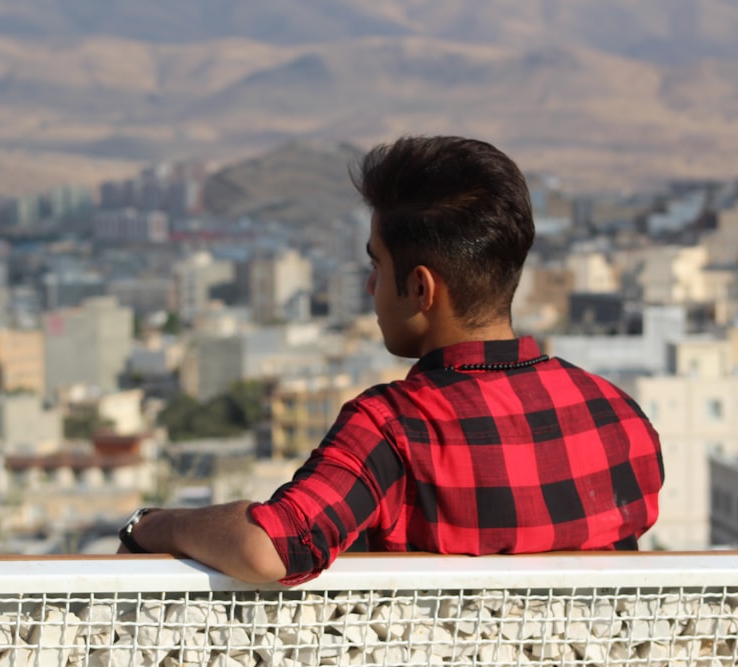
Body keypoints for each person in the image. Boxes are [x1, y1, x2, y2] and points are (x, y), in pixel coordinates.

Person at [117, 135, 664, 585]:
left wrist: (150, 525)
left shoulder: (394, 427)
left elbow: (276, 546)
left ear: (422, 289)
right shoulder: (619, 416)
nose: (371, 285)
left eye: (377, 264)